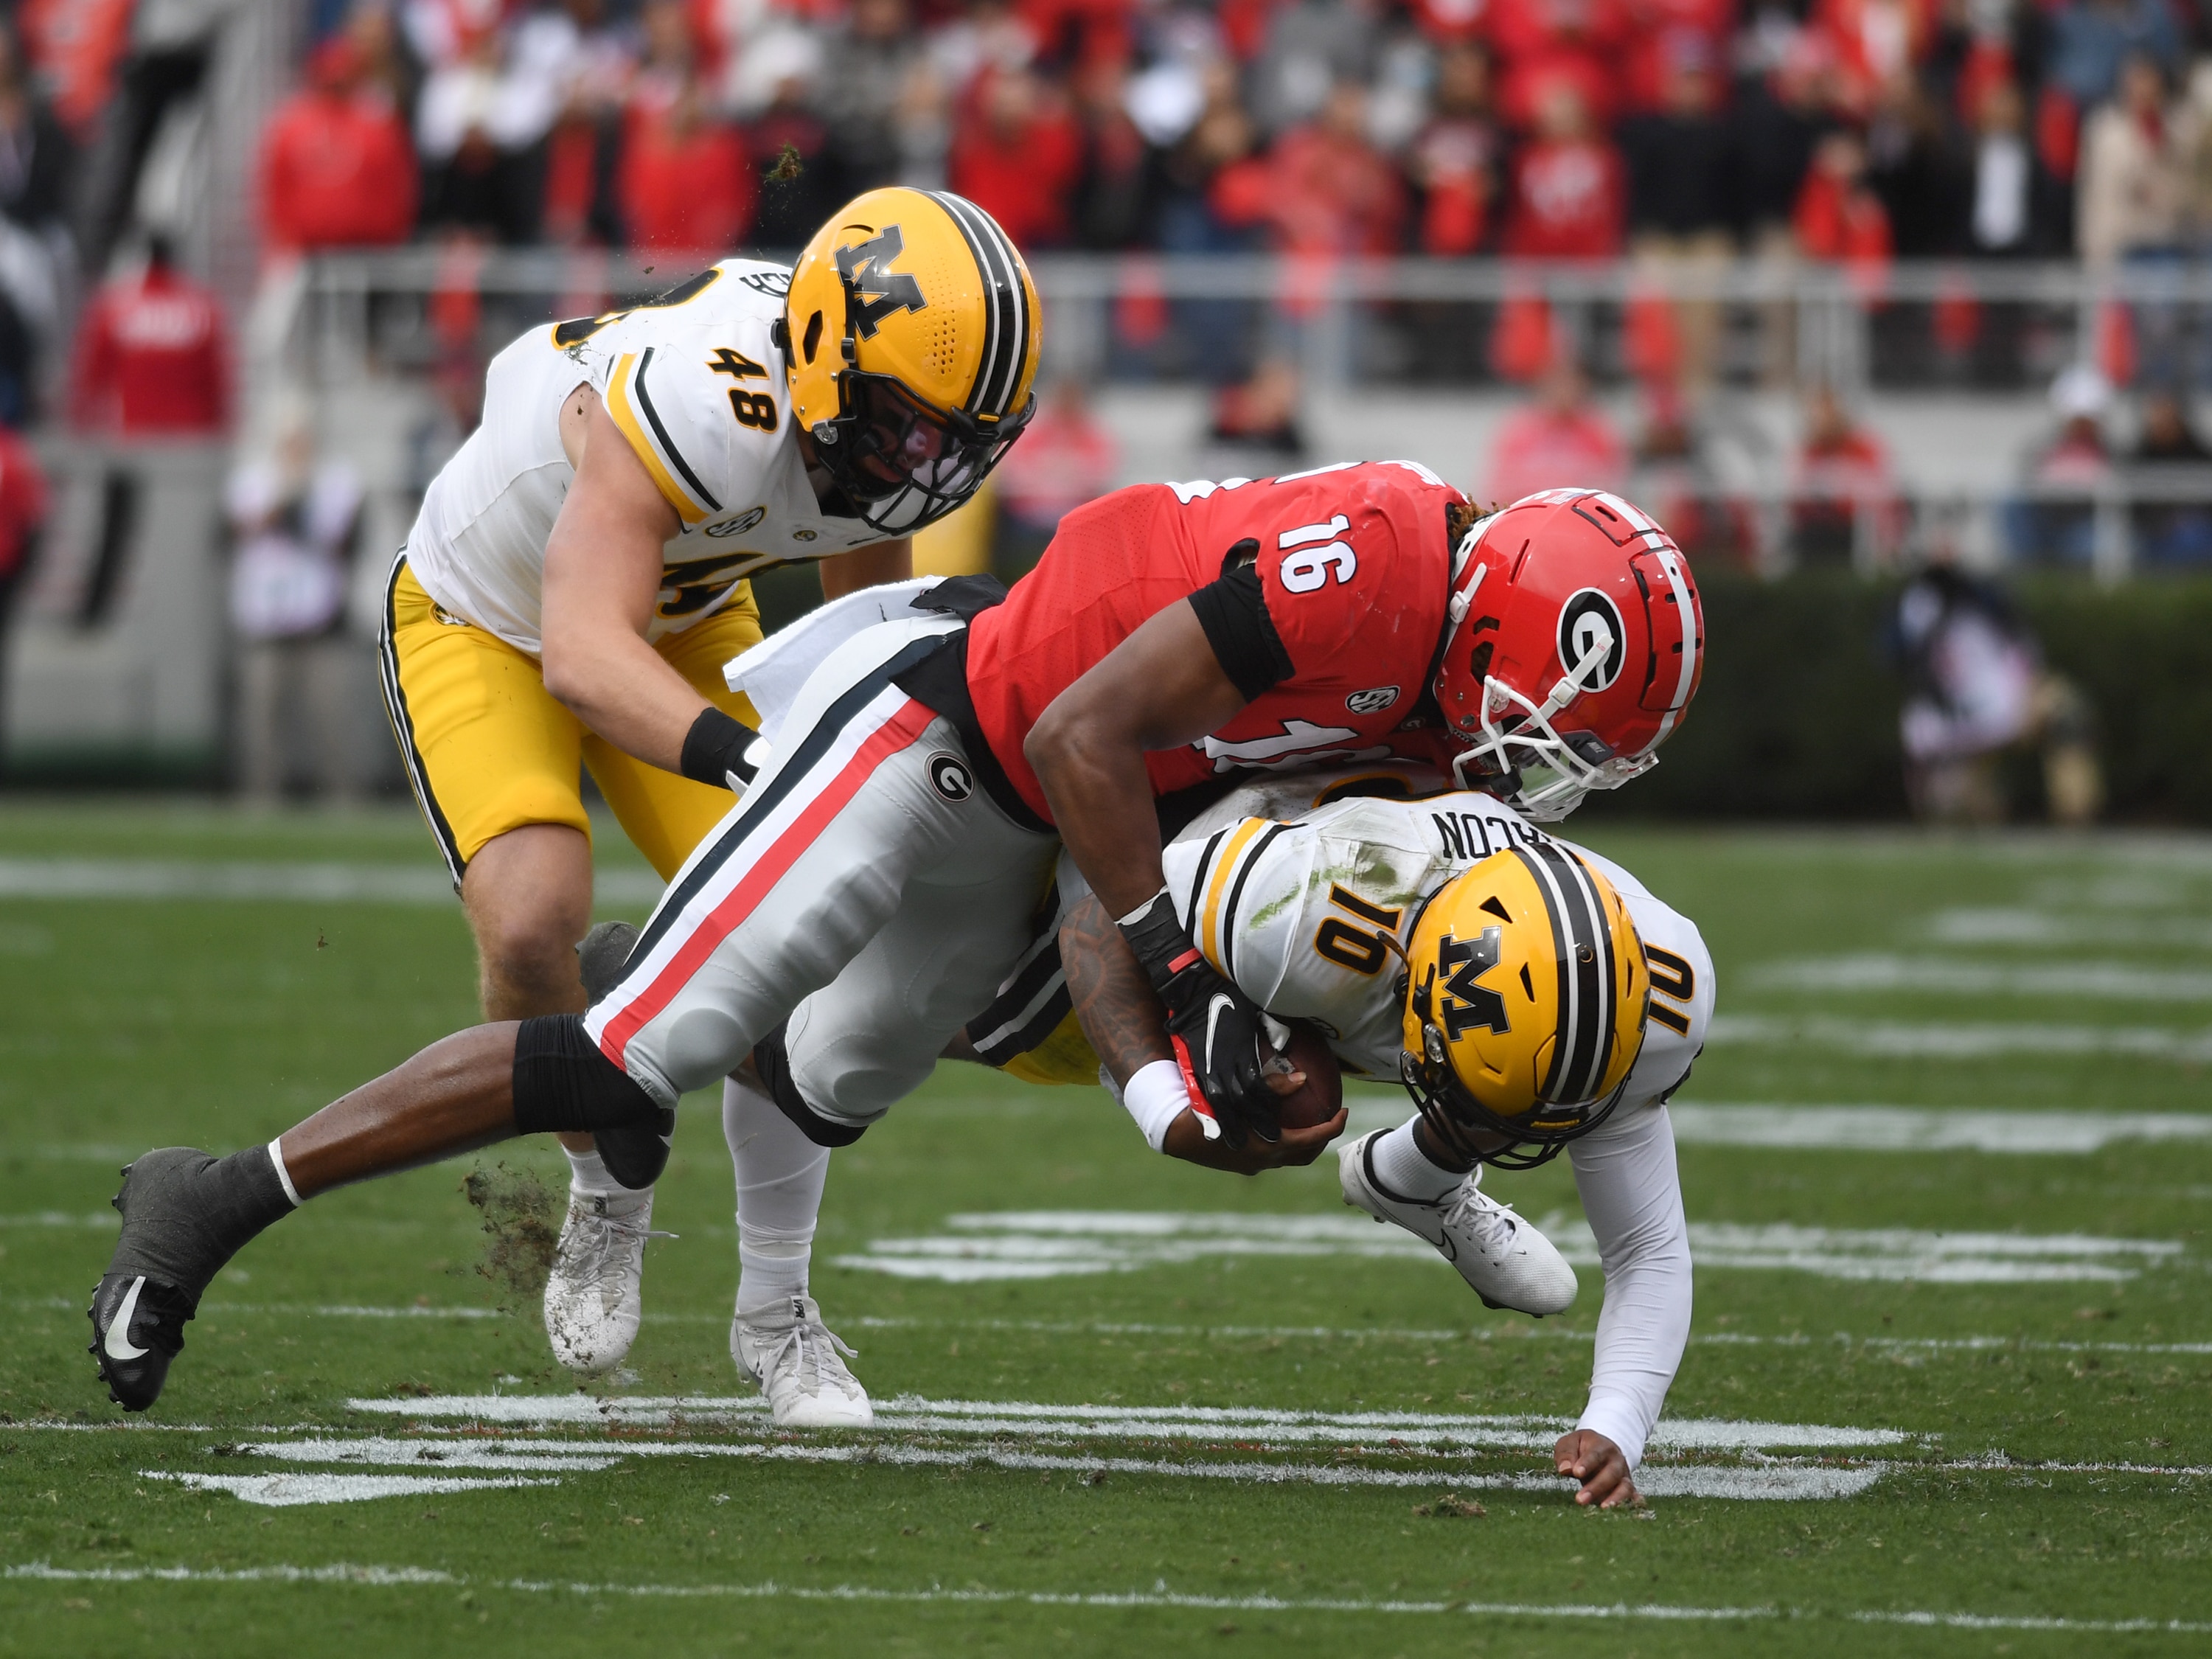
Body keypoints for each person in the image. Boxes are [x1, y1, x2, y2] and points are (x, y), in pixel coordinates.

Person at [86, 479, 1702, 1446]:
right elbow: (1084, 738)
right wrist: (1182, 964)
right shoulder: (1377, 567)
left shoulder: (1430, 713)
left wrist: (1186, 1071)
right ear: (1498, 616)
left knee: (842, 1065)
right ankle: (211, 1196)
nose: (1534, 769)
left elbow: (1134, 869)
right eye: (1546, 729)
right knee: (628, 1053)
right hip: (953, 719)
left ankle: (775, 1305)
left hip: (1085, 802)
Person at [369, 184, 1034, 1381]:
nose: (926, 466)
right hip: (486, 614)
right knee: (534, 918)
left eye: (953, 440)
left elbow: (861, 614)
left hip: (677, 610)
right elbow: (578, 653)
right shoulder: (709, 398)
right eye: (910, 426)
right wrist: (753, 762)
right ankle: (603, 1189)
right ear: (828, 360)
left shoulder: (864, 432)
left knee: (799, 921)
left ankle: (776, 1313)